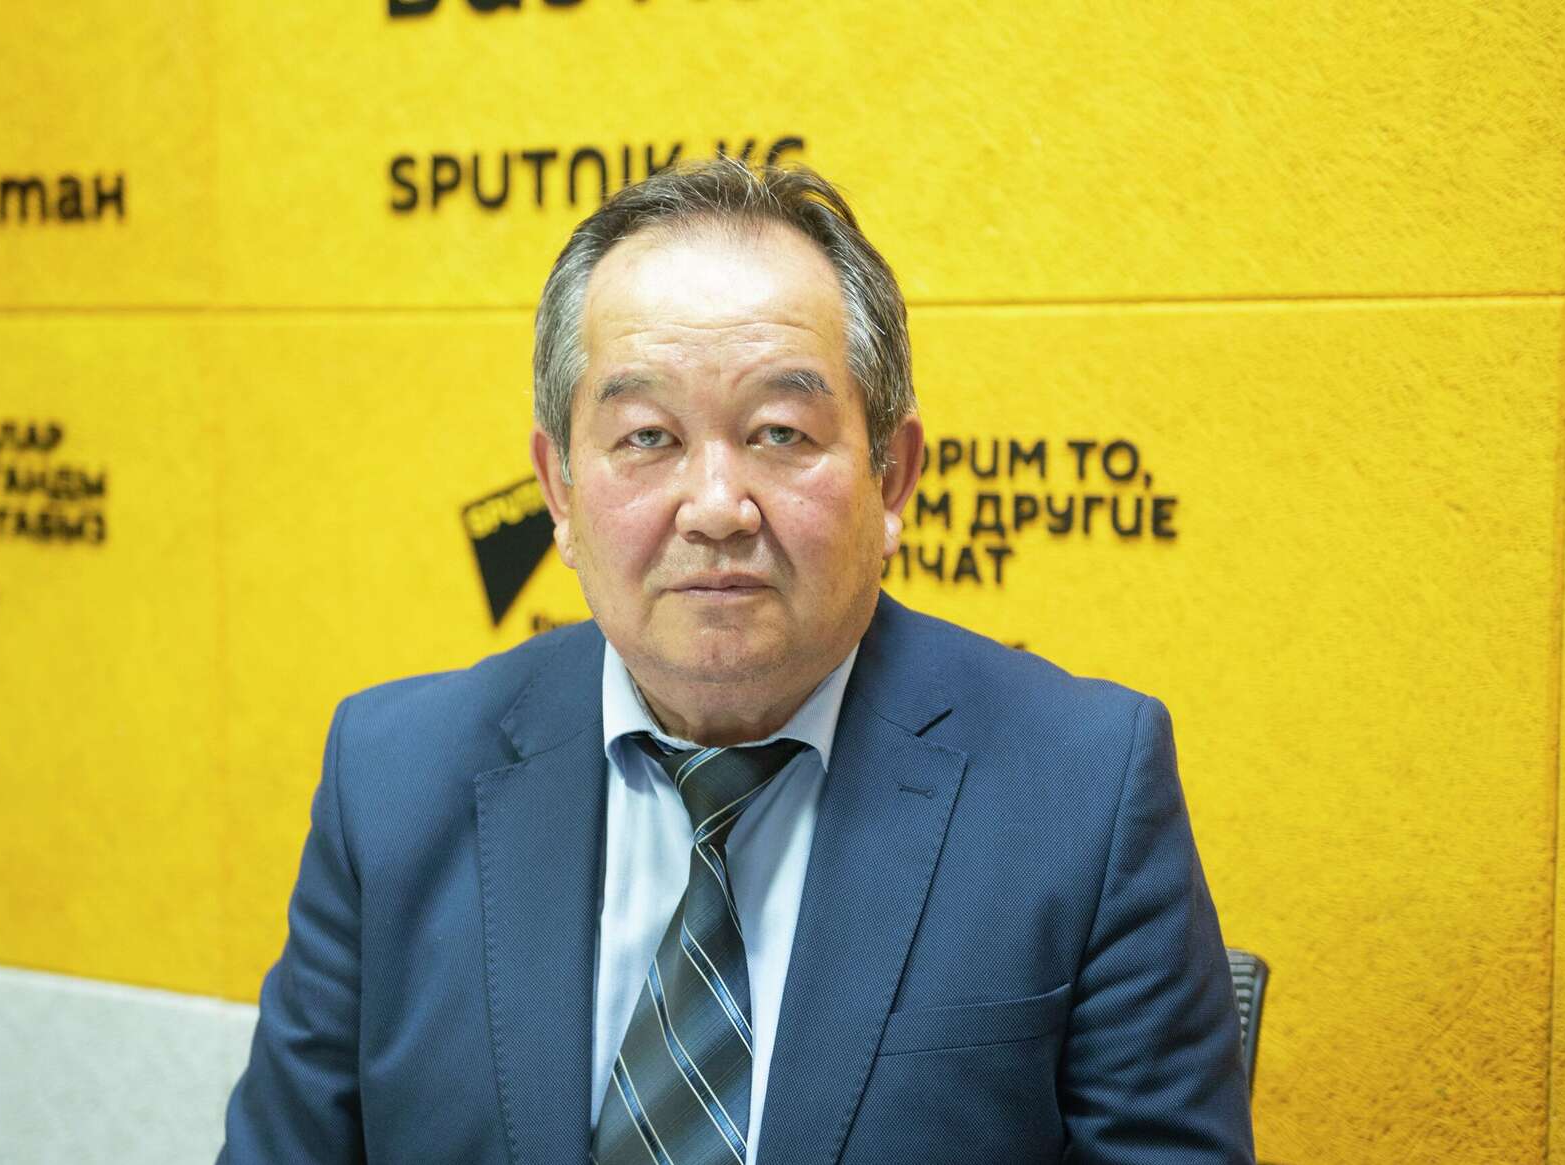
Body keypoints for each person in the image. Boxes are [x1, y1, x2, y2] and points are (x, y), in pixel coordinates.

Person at [221, 159, 1253, 1164]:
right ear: (559, 489)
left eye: (778, 432)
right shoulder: (391, 780)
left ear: (892, 476)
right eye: (646, 437)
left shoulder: (1082, 788)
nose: (716, 507)